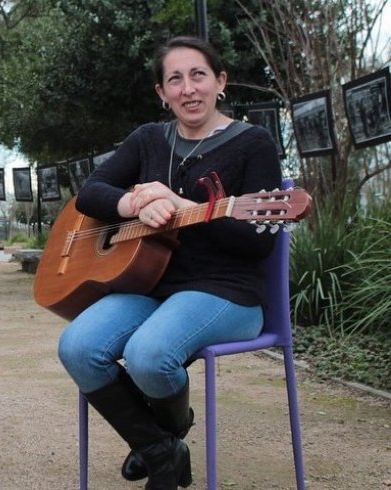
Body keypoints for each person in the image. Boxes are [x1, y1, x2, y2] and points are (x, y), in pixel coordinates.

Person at [57, 36, 281, 489]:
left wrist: (179, 205)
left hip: (226, 290)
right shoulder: (147, 140)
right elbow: (90, 192)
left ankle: (161, 443)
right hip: (149, 288)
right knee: (77, 346)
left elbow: (257, 243)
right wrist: (133, 206)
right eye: (174, 79)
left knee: (148, 354)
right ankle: (163, 449)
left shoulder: (253, 144)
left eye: (198, 75)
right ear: (162, 93)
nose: (188, 89)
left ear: (221, 81)